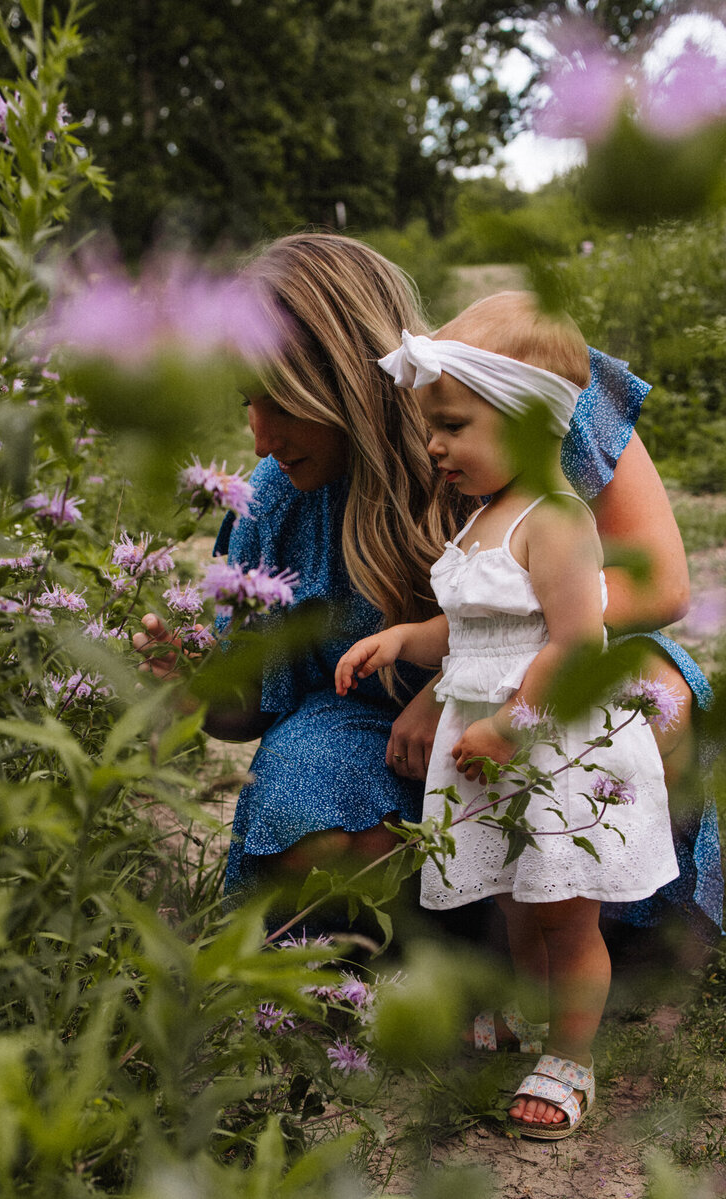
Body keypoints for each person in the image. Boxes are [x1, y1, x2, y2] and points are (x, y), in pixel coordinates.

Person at [133, 232, 720, 944]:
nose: (259, 437)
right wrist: (192, 691)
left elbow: (658, 580)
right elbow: (254, 704)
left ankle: (601, 923)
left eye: (281, 403)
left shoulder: (514, 388)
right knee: (300, 819)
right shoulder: (276, 497)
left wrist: (450, 682)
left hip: (542, 686)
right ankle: (476, 941)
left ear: (346, 379)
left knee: (658, 697)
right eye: (249, 402)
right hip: (379, 739)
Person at [334, 291, 680, 1138]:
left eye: (452, 424)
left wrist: (505, 723)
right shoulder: (486, 517)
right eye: (431, 427)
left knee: (565, 910)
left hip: (548, 746)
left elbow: (571, 641)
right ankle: (531, 1017)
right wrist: (408, 638)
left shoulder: (557, 521)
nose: (435, 446)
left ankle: (572, 1055)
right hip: (491, 743)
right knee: (518, 901)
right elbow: (476, 623)